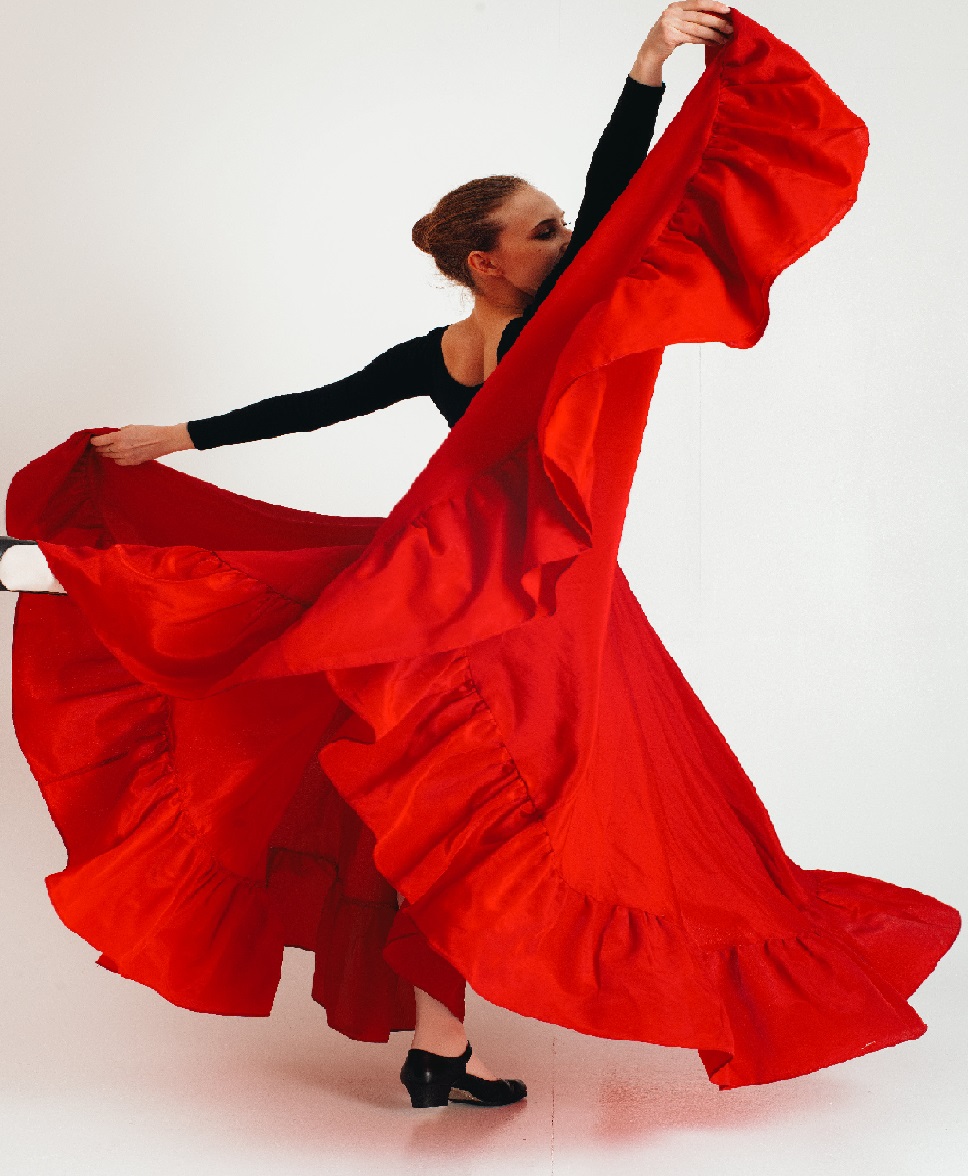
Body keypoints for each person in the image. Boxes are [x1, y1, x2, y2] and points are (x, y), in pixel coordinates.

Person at [0, 2, 734, 1107]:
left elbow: (314, 405)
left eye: (559, 227)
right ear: (487, 263)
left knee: (443, 805)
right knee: (349, 666)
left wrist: (174, 438)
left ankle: (441, 1047)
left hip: (466, 577)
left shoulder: (460, 345)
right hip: (517, 593)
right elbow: (322, 401)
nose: (568, 239)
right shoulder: (536, 329)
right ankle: (62, 569)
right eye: (543, 231)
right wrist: (647, 66)